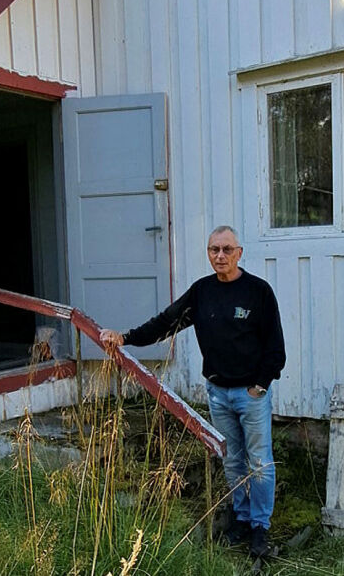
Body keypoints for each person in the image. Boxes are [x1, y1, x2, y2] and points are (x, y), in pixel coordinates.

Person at [99, 225, 286, 558]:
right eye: (214, 250)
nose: (220, 256)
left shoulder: (258, 292)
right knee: (231, 461)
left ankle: (260, 528)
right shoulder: (202, 292)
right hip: (218, 393)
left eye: (227, 249)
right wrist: (125, 338)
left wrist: (260, 386)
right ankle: (241, 519)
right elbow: (165, 322)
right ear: (208, 253)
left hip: (250, 393)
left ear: (239, 252)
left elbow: (275, 346)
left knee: (259, 461)